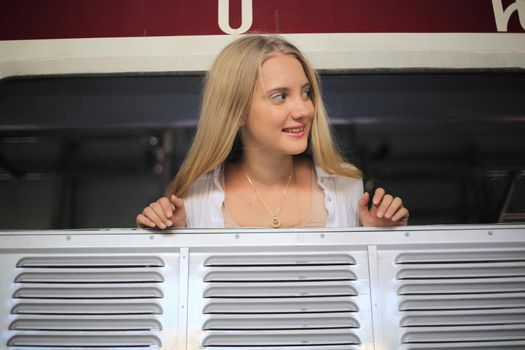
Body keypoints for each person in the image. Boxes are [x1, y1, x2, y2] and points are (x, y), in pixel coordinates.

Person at [136, 35, 409, 229]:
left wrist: (383, 240)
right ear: (237, 111)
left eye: (306, 93)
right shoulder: (194, 199)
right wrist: (162, 239)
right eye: (280, 96)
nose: (304, 109)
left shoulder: (346, 190)